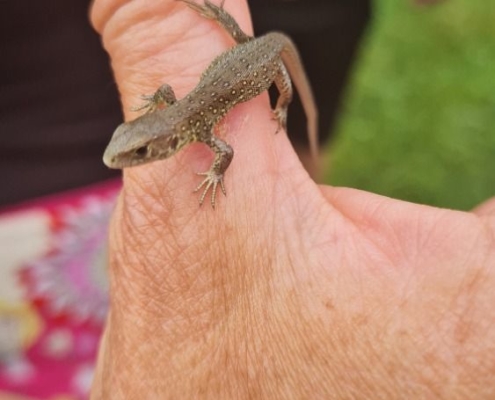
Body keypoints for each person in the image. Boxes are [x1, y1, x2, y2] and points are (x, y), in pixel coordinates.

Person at [89, 0, 495, 398]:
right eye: (134, 148)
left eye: (139, 151)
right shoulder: (186, 121)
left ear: (168, 142)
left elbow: (224, 151)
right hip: (253, 49)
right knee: (242, 41)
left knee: (279, 82)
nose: (128, 159)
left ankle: (290, 110)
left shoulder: (195, 127)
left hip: (265, 57)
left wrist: (276, 111)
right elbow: (179, 107)